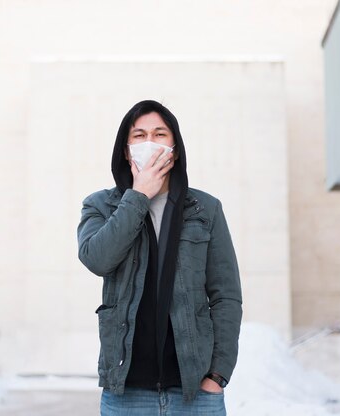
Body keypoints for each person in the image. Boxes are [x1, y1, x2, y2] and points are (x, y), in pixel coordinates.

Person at [77, 100, 242, 415]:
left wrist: (217, 375)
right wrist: (138, 196)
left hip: (195, 392)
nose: (149, 142)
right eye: (139, 135)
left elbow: (226, 296)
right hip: (126, 392)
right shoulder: (100, 206)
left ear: (175, 149)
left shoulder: (205, 210)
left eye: (159, 134)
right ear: (126, 151)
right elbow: (97, 259)